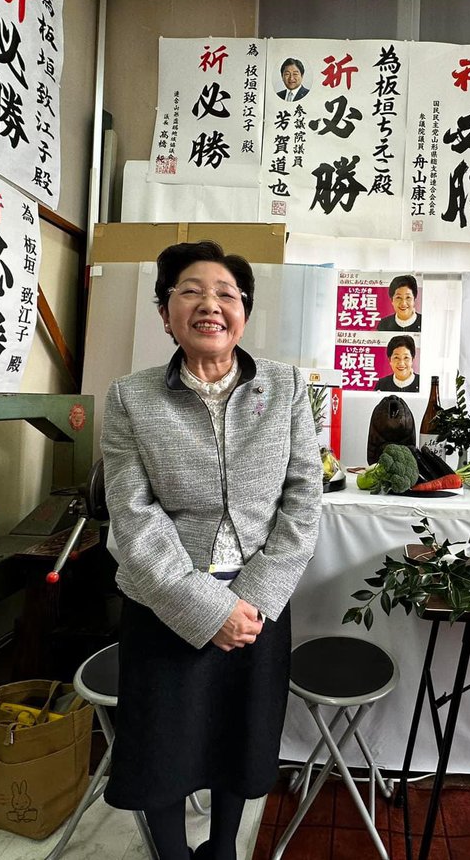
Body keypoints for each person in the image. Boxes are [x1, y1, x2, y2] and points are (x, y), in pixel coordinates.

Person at [101, 241, 323, 860]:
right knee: (163, 747)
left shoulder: (285, 387)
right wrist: (205, 607)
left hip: (257, 607)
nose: (210, 305)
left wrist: (249, 601)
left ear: (243, 312)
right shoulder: (131, 397)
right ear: (164, 312)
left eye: (227, 293)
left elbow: (304, 500)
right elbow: (133, 516)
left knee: (241, 739)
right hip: (164, 600)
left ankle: (224, 848)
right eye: (191, 291)